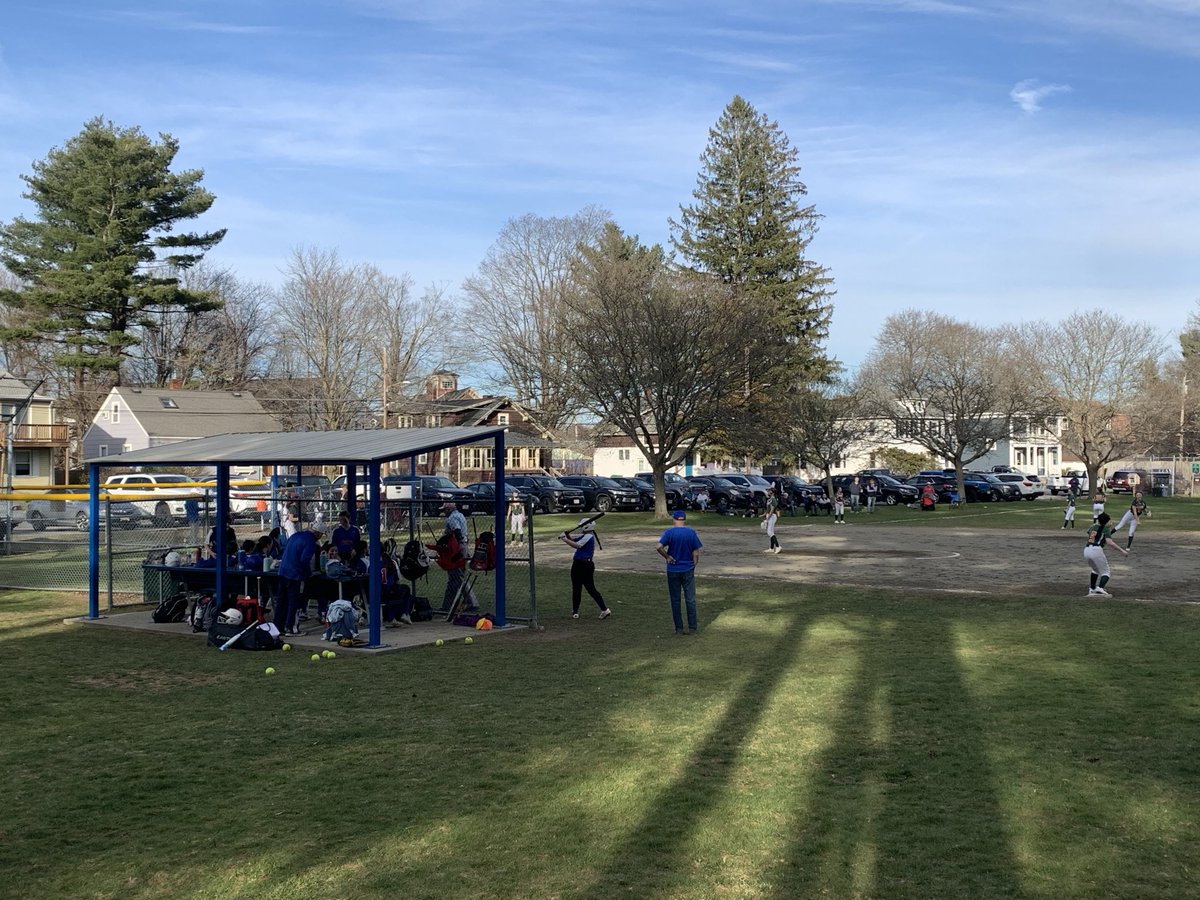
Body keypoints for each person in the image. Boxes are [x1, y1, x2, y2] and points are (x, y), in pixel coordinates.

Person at [656, 509, 702, 635]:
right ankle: (692, 627)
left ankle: (679, 628)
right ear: (684, 520)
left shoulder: (669, 533)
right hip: (687, 568)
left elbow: (658, 546)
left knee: (675, 599)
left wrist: (667, 557)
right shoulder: (691, 533)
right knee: (690, 599)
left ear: (674, 519)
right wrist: (694, 564)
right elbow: (696, 553)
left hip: (673, 569)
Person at [276, 526, 323, 636]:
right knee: (294, 602)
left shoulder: (295, 536)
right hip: (295, 575)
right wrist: (308, 573)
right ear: (318, 534)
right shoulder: (310, 542)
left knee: (281, 602)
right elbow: (304, 560)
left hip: (282, 572)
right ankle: (291, 628)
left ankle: (278, 627)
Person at [561, 518, 611, 619]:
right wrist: (567, 536)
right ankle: (603, 609)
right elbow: (574, 541)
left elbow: (577, 545)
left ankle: (576, 612)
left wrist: (565, 539)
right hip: (586, 565)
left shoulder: (588, 536)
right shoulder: (587, 536)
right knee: (589, 588)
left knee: (578, 588)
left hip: (580, 565)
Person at [435, 501, 478, 612]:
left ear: (449, 509)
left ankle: (470, 602)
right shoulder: (460, 515)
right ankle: (448, 605)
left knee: (456, 577)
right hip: (462, 546)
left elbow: (457, 531)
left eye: (444, 510)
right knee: (456, 578)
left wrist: (455, 550)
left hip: (456, 548)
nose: (444, 512)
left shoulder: (452, 518)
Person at [1083, 511, 1127, 597]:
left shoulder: (1093, 526)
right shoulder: (1106, 529)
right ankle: (1100, 587)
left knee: (1095, 570)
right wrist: (1122, 550)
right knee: (1106, 572)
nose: (1110, 522)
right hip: (1096, 550)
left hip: (1087, 550)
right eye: (1109, 521)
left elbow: (1089, 532)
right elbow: (1109, 542)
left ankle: (1092, 588)